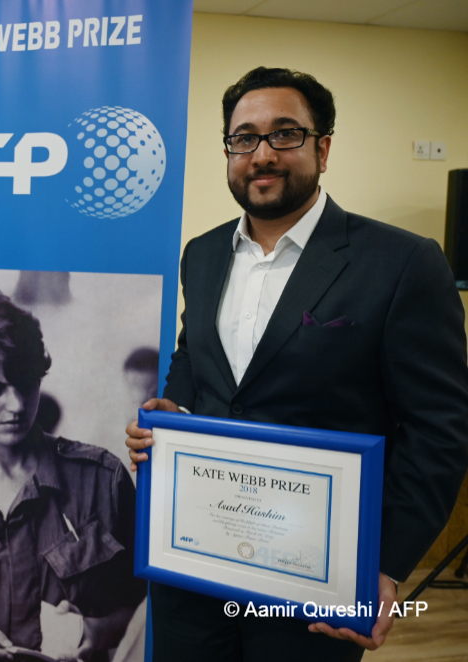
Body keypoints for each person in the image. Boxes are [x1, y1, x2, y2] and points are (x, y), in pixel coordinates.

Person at [125, 67, 468, 661]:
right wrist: (172, 411)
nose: (262, 154)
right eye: (244, 138)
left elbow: (439, 430)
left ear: (323, 149)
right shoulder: (202, 254)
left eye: (285, 134)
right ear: (229, 152)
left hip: (315, 579)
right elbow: (195, 354)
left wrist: (384, 566)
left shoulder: (402, 262)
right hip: (194, 562)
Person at [0, 291, 145, 662]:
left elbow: (147, 602)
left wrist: (98, 630)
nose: (17, 405)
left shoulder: (103, 481)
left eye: (26, 383)